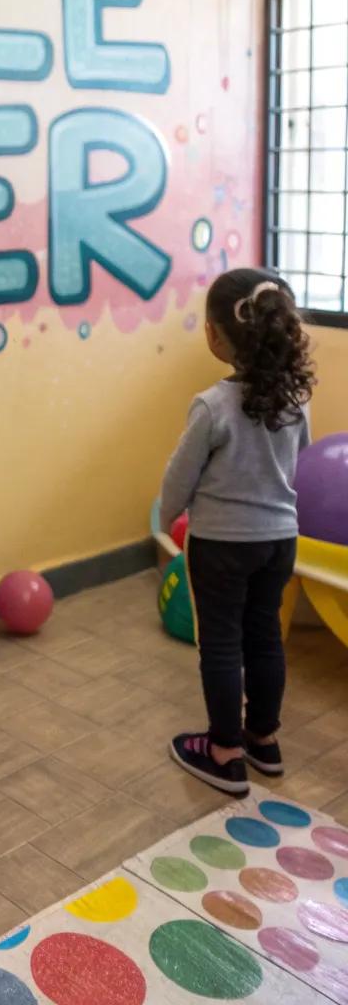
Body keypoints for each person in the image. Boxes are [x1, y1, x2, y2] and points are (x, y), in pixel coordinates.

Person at [160, 268, 315, 795]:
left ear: (214, 335)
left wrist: (168, 517)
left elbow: (179, 477)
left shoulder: (212, 406)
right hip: (280, 540)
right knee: (265, 634)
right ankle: (263, 741)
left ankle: (224, 753)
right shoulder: (297, 399)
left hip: (222, 545)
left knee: (222, 645)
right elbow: (299, 457)